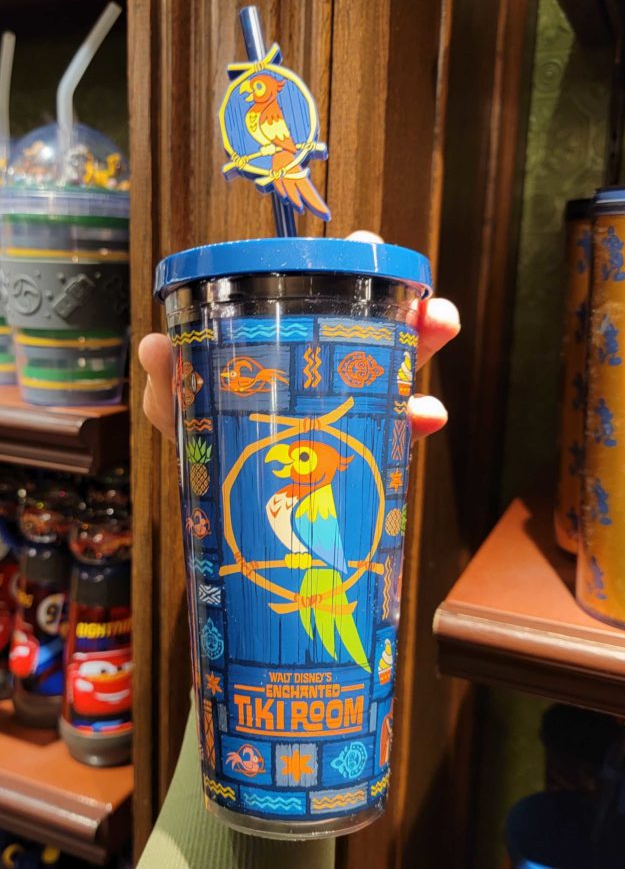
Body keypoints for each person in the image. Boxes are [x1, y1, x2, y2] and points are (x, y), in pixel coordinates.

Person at [136, 231, 460, 866]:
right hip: (237, 763)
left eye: (300, 458)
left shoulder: (316, 505)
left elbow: (326, 554)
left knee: (338, 641)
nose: (287, 465)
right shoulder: (289, 497)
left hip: (323, 596)